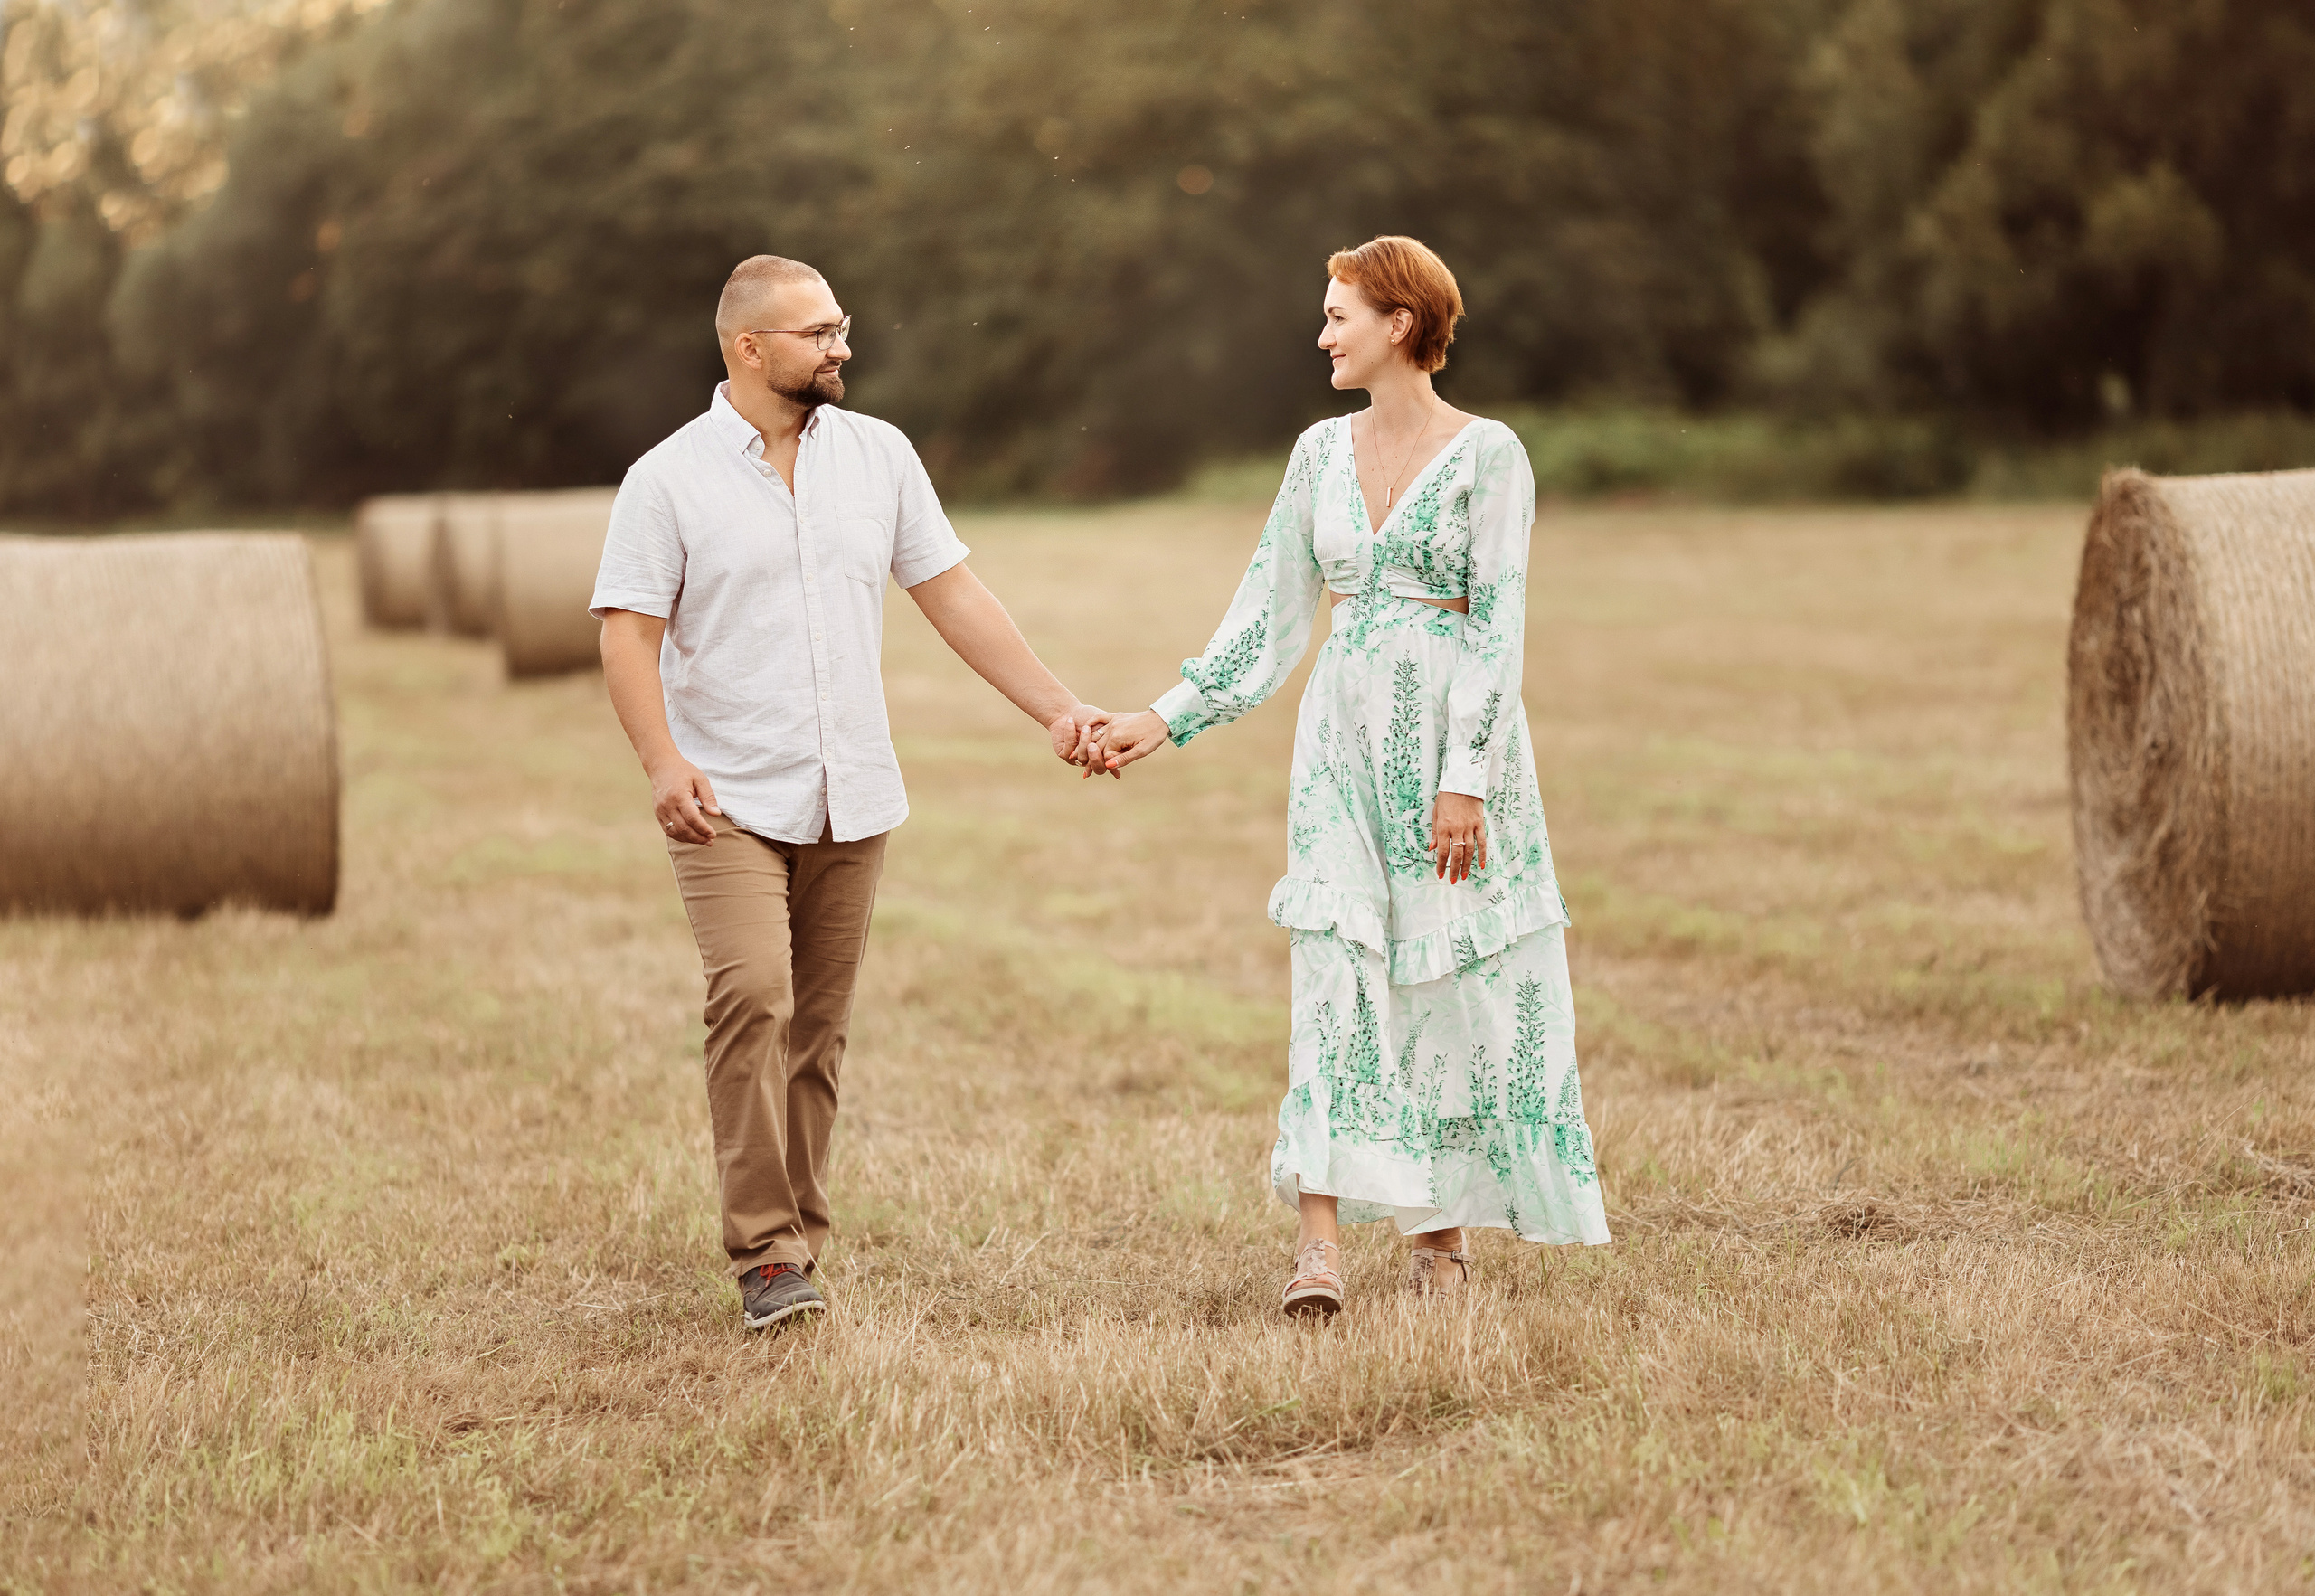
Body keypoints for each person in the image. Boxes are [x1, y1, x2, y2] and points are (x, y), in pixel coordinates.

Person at [1091, 236, 1611, 1317]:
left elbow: (1498, 628)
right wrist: (1165, 717)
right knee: (1335, 970)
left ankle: (1440, 1235)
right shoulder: (1316, 454)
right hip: (1339, 745)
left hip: (1452, 756)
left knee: (1442, 974)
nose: (1322, 333)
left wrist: (1463, 776)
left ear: (1401, 325)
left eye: (1339, 315)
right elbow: (1270, 614)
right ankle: (1317, 1245)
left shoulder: (1490, 456)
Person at [592, 255, 1109, 1331]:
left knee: (817, 1032)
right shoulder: (668, 478)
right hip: (723, 792)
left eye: (842, 326)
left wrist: (1057, 709)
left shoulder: (880, 456)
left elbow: (950, 592)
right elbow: (628, 633)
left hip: (852, 791)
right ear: (747, 349)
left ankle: (801, 1242)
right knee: (754, 999)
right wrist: (661, 762)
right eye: (818, 332)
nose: (842, 347)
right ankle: (766, 1256)